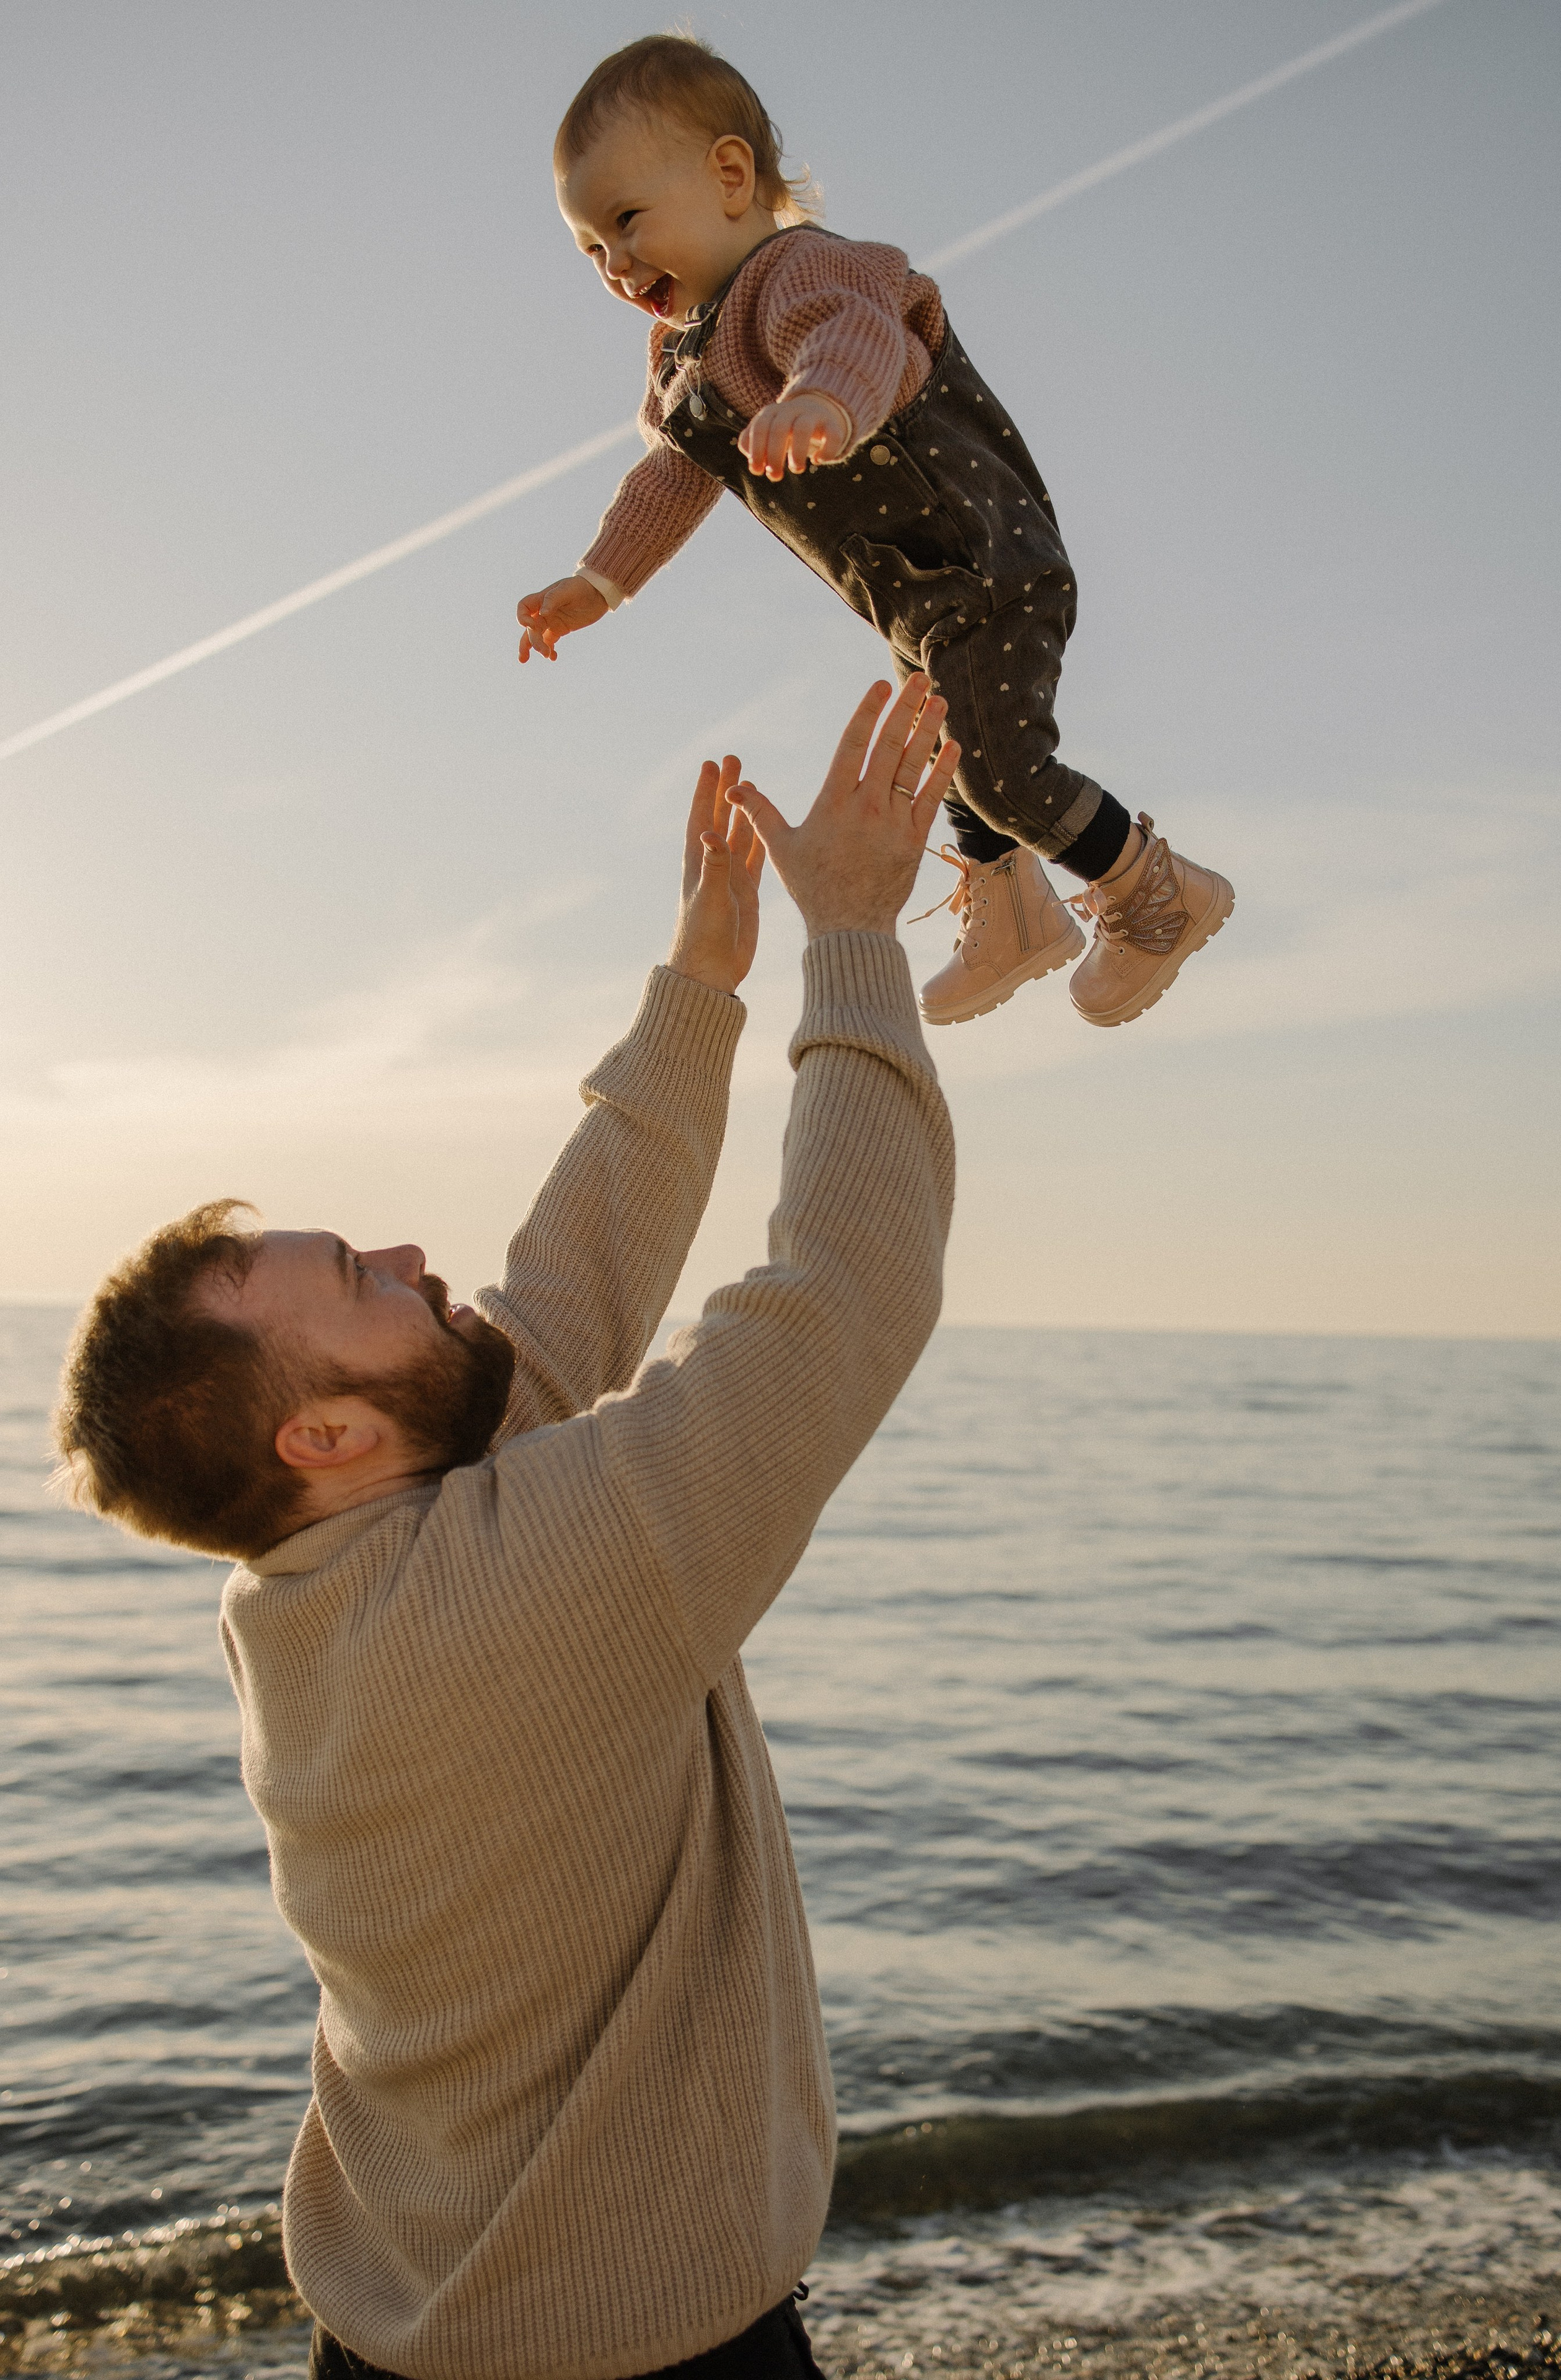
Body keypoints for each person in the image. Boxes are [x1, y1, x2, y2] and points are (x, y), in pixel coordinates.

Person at [53, 679, 959, 2380]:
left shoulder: (311, 1587)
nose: (406, 1252)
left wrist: (699, 988)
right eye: (353, 1280)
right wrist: (855, 939)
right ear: (323, 1432)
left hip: (403, 2330)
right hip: (636, 2362)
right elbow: (844, 1289)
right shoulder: (513, 1594)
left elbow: (549, 1312)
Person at [516, 32, 1234, 1032]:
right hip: (917, 595)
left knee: (999, 767)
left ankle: (1153, 889)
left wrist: (824, 400)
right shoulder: (684, 367)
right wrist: (597, 580)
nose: (616, 262)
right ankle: (1014, 914)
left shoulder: (797, 273)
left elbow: (861, 338)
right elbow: (674, 476)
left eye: (627, 221)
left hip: (986, 555)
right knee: (935, 749)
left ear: (730, 176)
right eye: (593, 247)